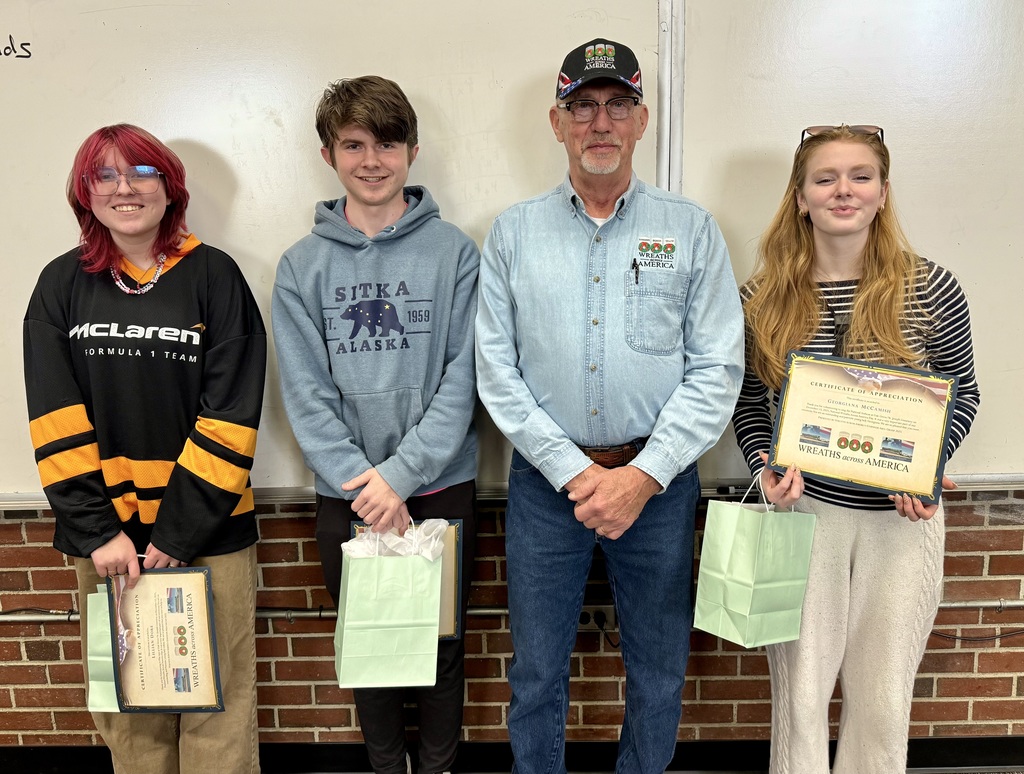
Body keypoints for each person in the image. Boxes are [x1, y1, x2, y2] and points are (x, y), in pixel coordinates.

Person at [475, 39, 745, 774]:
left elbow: (717, 367)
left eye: (618, 105)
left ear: (642, 120)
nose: (601, 122)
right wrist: (573, 471)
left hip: (658, 486)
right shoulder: (513, 233)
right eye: (584, 106)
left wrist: (644, 475)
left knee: (658, 668)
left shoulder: (691, 230)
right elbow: (496, 372)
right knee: (536, 672)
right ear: (557, 122)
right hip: (545, 489)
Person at [732, 124, 981, 773]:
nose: (843, 190)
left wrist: (928, 468)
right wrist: (764, 467)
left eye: (860, 176)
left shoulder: (931, 288)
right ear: (801, 196)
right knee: (800, 701)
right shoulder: (761, 298)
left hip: (901, 524)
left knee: (881, 705)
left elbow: (963, 392)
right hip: (801, 516)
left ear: (883, 192)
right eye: (826, 178)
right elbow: (750, 403)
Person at [23, 124, 267, 774]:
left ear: (170, 186)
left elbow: (232, 413)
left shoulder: (215, 276)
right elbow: (53, 417)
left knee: (218, 705)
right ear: (85, 192)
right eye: (105, 174)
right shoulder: (60, 285)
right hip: (108, 541)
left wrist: (180, 532)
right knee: (131, 710)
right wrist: (98, 531)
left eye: (142, 172)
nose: (125, 188)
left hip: (211, 532)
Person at [272, 76, 479, 774]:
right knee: (371, 647)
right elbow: (305, 393)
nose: (372, 160)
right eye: (354, 145)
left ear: (412, 152)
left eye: (388, 144)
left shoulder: (455, 253)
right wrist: (367, 484)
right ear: (328, 154)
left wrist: (402, 476)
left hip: (440, 487)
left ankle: (439, 768)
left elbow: (464, 378)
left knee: (442, 646)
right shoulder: (301, 267)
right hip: (349, 495)